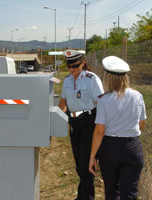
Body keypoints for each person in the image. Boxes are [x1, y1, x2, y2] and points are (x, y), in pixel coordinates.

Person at [89, 56, 146, 199]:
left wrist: (92, 156)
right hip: (133, 146)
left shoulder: (103, 100)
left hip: (110, 149)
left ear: (108, 78)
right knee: (130, 193)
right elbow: (141, 123)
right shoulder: (137, 96)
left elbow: (100, 130)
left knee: (112, 191)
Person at [59, 50, 104, 200]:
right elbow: (63, 103)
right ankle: (84, 196)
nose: (72, 69)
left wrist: (100, 126)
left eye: (75, 65)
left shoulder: (92, 79)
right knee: (79, 164)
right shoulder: (66, 80)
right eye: (69, 66)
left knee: (86, 165)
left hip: (89, 123)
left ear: (83, 63)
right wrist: (58, 118)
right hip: (74, 123)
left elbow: (101, 104)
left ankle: (86, 197)